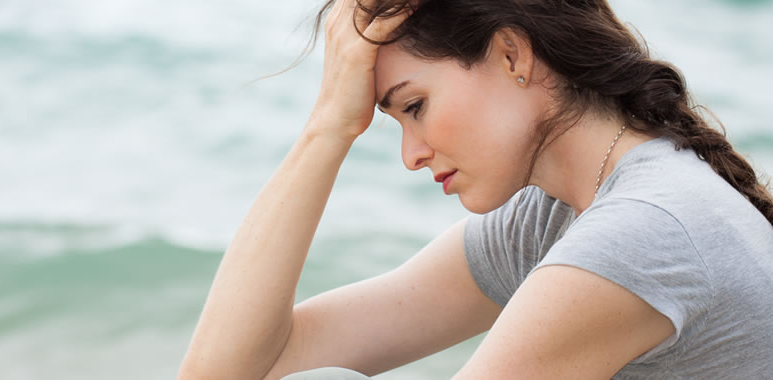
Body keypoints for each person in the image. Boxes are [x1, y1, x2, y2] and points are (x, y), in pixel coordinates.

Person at [178, 0, 773, 378]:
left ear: (513, 53)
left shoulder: (642, 231)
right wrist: (328, 126)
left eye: (415, 106)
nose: (410, 155)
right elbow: (234, 369)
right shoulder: (554, 219)